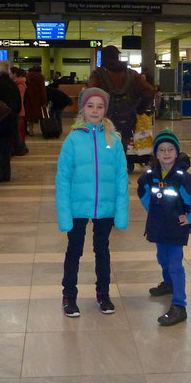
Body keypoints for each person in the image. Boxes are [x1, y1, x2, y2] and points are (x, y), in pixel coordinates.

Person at [55, 87, 128, 317]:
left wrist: (121, 210)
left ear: (105, 110)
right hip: (78, 207)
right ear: (82, 109)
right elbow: (63, 178)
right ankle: (69, 296)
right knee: (74, 250)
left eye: (99, 106)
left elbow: (121, 176)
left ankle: (103, 294)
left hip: (105, 206)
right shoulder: (73, 140)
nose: (95, 111)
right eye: (90, 106)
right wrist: (64, 213)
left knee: (102, 250)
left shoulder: (113, 139)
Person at [138, 130, 191, 326]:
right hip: (159, 226)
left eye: (170, 149)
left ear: (176, 152)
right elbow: (142, 189)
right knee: (162, 258)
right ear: (156, 153)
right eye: (162, 149)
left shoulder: (183, 177)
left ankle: (179, 305)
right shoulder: (151, 175)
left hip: (176, 228)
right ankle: (168, 284)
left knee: (175, 264)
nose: (166, 153)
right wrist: (152, 209)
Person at [87, 45, 155, 150]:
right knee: (123, 146)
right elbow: (149, 91)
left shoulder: (98, 74)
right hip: (128, 119)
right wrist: (139, 109)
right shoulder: (132, 74)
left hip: (104, 120)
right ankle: (122, 162)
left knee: (103, 147)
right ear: (117, 57)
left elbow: (89, 93)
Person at [0, 61, 21, 183]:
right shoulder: (12, 85)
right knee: (6, 149)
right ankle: (6, 174)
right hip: (10, 121)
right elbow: (18, 104)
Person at [9, 67, 29, 156]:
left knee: (17, 131)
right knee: (17, 130)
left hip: (19, 110)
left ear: (15, 74)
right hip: (19, 110)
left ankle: (20, 148)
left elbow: (19, 100)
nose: (9, 75)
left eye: (10, 73)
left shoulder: (20, 85)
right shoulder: (19, 84)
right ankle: (20, 147)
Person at [24, 65, 47, 132]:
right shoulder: (40, 78)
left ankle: (29, 130)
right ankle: (44, 129)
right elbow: (43, 91)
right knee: (41, 115)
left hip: (28, 99)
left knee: (29, 115)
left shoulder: (27, 77)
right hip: (38, 100)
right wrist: (44, 102)